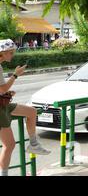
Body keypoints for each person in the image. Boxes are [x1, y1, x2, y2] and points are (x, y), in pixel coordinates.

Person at [0, 39, 51, 176]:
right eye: (11, 52)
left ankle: (33, 145)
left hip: (3, 104)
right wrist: (16, 75)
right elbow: (2, 88)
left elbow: (2, 90)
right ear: (3, 53)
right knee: (9, 145)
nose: (12, 55)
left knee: (32, 111)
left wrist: (7, 93)